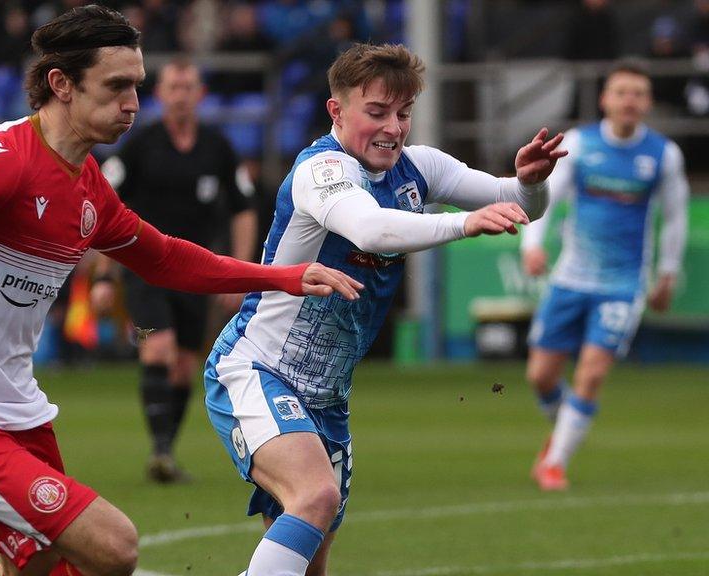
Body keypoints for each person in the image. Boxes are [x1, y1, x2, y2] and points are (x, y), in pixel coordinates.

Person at [0, 6, 361, 576]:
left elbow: (165, 258)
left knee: (43, 563)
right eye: (116, 87)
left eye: (138, 86)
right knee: (113, 547)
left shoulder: (90, 189)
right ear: (62, 84)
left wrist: (282, 276)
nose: (133, 103)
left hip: (21, 411)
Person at [203, 43, 566, 576]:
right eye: (376, 112)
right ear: (337, 110)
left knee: (310, 560)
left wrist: (533, 184)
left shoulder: (419, 167)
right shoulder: (321, 170)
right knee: (315, 497)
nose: (393, 128)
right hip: (257, 369)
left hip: (327, 397)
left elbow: (517, 203)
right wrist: (462, 223)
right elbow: (372, 228)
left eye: (402, 113)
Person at [521, 59, 689, 492]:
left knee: (592, 373)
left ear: (648, 102)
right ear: (604, 99)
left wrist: (667, 273)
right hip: (570, 278)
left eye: (637, 93)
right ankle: (561, 437)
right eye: (621, 92)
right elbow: (546, 196)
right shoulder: (579, 144)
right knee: (540, 376)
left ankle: (554, 462)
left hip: (623, 284)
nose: (629, 101)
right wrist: (532, 244)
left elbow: (674, 219)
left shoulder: (663, 155)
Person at [95, 57, 258, 483]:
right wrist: (103, 276)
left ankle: (166, 450)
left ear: (200, 95)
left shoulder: (218, 148)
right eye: (173, 87)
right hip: (143, 271)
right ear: (160, 94)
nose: (181, 96)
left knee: (185, 366)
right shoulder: (139, 146)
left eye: (189, 88)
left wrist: (240, 272)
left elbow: (243, 210)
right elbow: (105, 207)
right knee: (156, 348)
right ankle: (161, 451)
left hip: (194, 274)